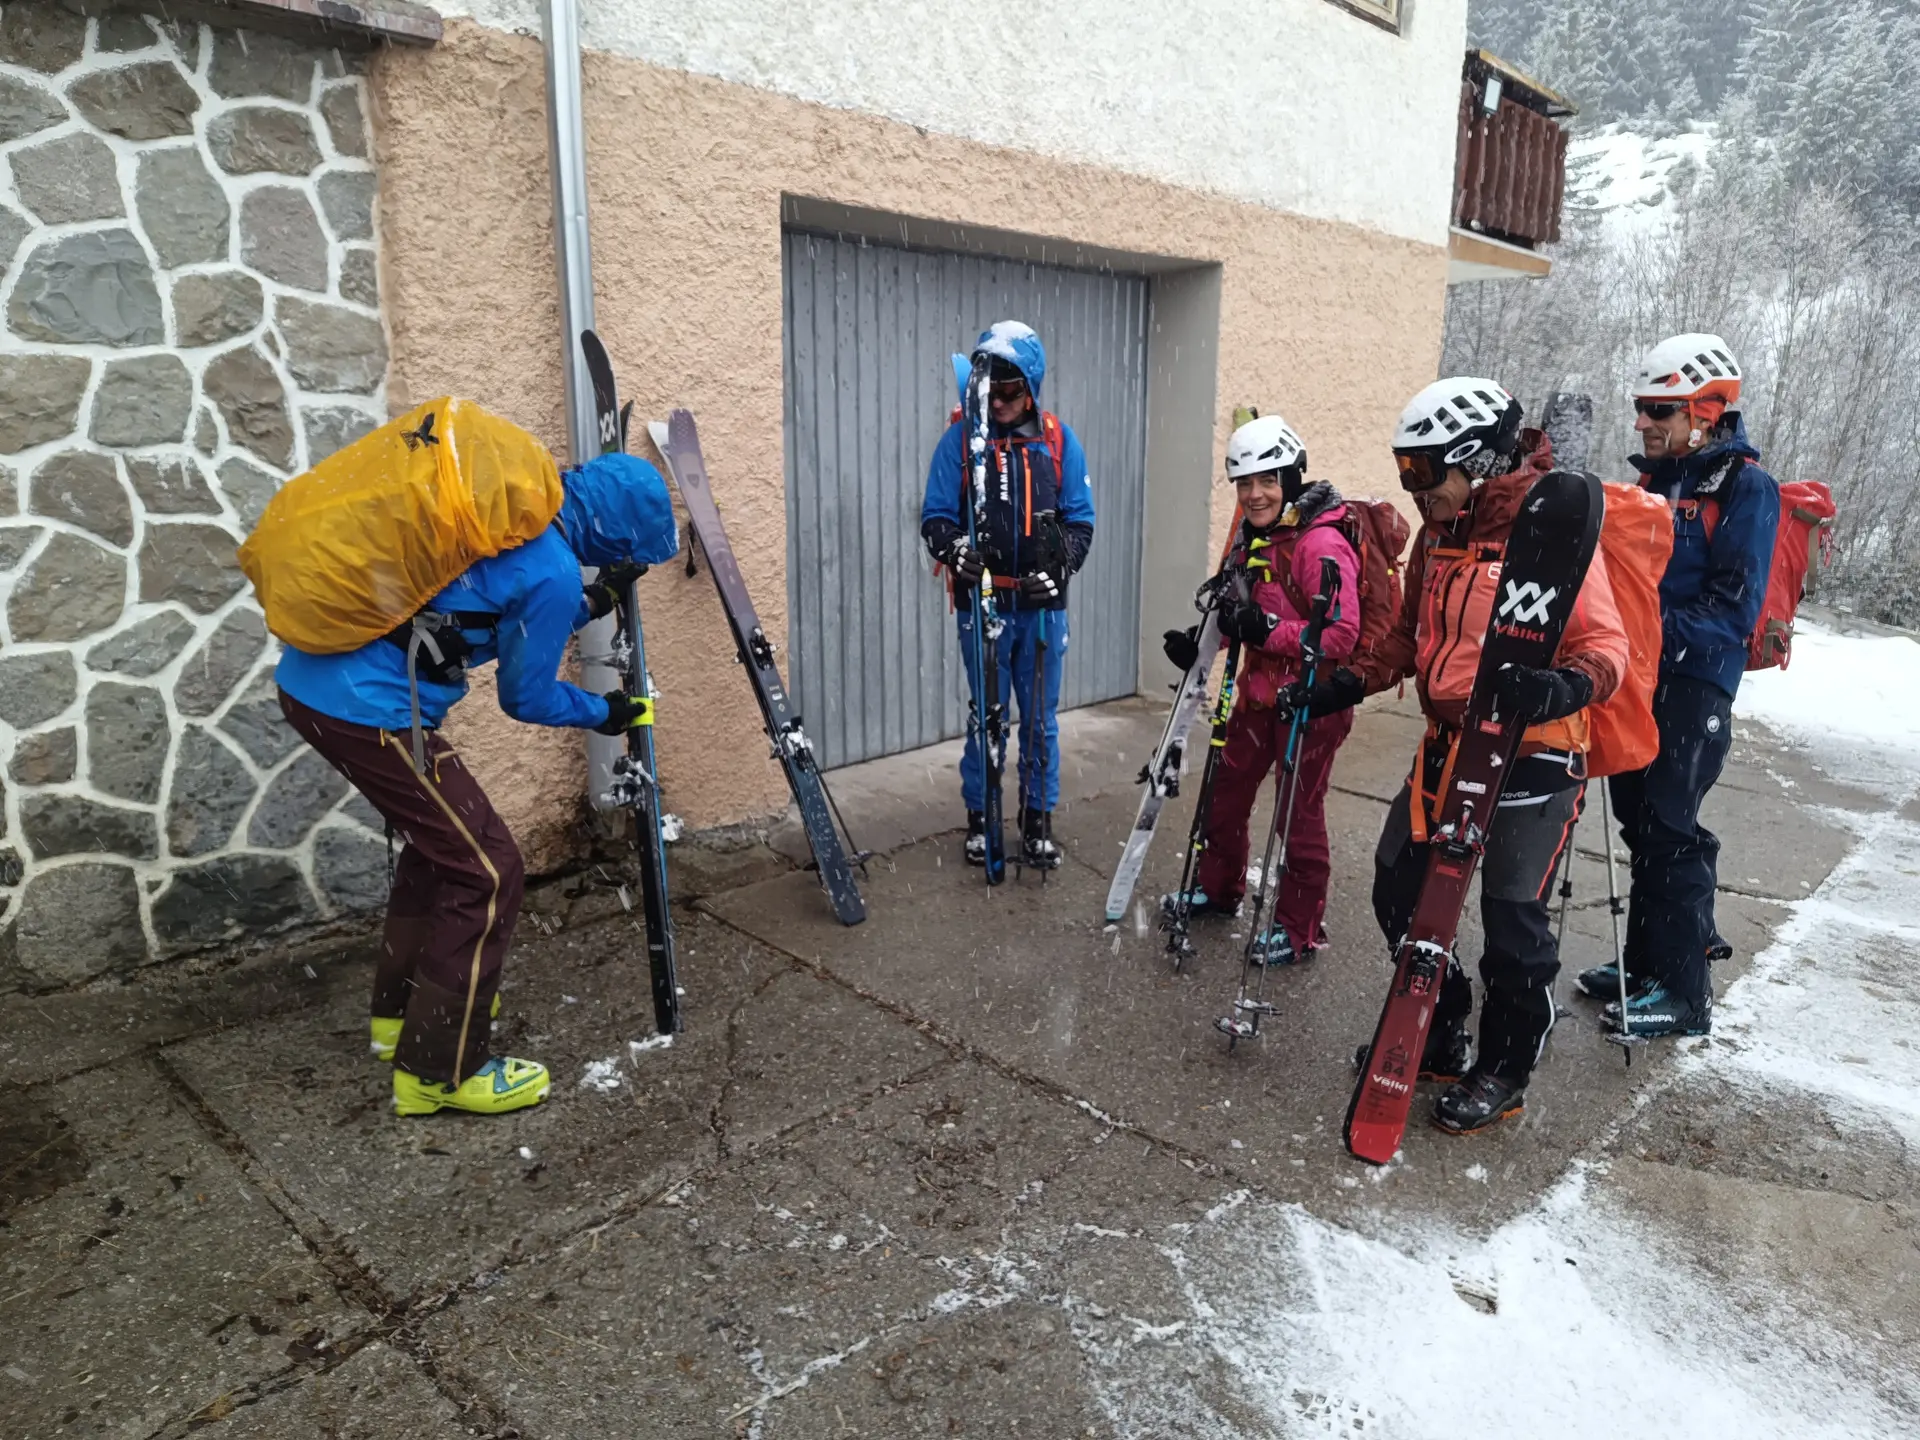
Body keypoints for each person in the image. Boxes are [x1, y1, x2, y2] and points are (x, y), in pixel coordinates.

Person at [274, 451, 676, 1118]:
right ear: (614, 533)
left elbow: (492, 610)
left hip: (318, 688)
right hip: (367, 710)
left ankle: (401, 1019)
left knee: (442, 854)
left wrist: (594, 600)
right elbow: (527, 695)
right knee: (488, 871)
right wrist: (606, 711)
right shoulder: (548, 566)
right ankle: (441, 1070)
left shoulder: (514, 523)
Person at [1314, 378, 1627, 1134]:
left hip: (1535, 749)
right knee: (1399, 889)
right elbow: (1407, 638)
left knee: (1510, 921)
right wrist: (1348, 680)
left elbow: (1607, 647)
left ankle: (1506, 1064)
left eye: (1425, 472)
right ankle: (1442, 1027)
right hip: (1450, 743)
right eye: (1405, 473)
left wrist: (1560, 687)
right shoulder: (1441, 535)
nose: (1414, 490)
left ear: (1479, 461)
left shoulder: (1551, 535)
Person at [1574, 334, 1780, 1039]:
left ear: (1708, 410)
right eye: (1640, 407)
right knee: (1639, 823)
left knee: (1673, 829)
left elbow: (1734, 610)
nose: (1642, 422)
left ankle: (1687, 995)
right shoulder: (1656, 484)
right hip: (1640, 678)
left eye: (1658, 408)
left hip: (1695, 684)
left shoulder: (1747, 490)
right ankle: (1644, 963)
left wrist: (1644, 628)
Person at [1158, 413, 1361, 964]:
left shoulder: (1320, 543)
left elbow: (1342, 632)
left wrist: (1269, 631)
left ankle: (1300, 928)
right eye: (1244, 483)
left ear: (1292, 478)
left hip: (1310, 704)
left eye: (1267, 480)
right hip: (1255, 696)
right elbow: (1233, 613)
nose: (1254, 494)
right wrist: (1201, 646)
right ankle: (1219, 889)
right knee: (1224, 797)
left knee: (1297, 816)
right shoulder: (1250, 540)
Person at [920, 322, 1095, 869]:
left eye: (1010, 391)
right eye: (988, 391)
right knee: (987, 717)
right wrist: (955, 551)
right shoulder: (960, 441)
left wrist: (1058, 566)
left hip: (1042, 608)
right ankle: (982, 815)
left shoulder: (1059, 441)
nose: (998, 403)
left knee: (1040, 720)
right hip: (984, 604)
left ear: (1032, 387)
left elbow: (1080, 523)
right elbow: (935, 517)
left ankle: (1037, 819)